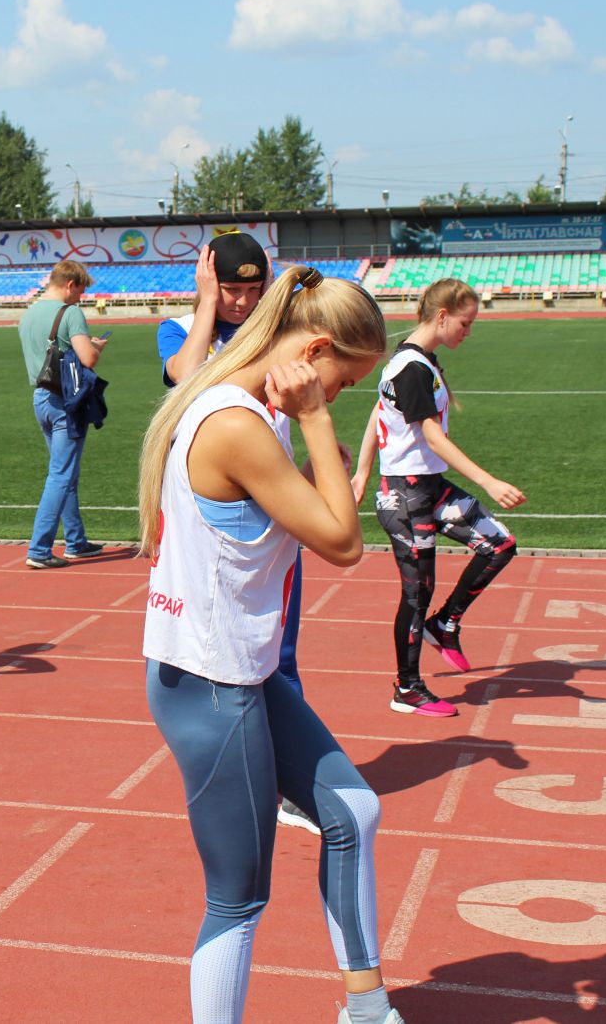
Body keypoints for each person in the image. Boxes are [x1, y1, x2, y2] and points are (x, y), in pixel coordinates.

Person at [140, 266, 404, 1024]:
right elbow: (342, 540)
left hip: (245, 670)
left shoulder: (256, 408)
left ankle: (367, 1008)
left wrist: (312, 417)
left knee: (354, 811)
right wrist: (318, 418)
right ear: (314, 351)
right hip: (207, 678)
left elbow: (323, 505)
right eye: (345, 379)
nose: (342, 394)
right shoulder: (236, 425)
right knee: (238, 894)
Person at [158, 232, 315, 835]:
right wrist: (204, 304)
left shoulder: (274, 337)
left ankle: (288, 783)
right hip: (209, 524)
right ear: (207, 280)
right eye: (231, 288)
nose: (243, 302)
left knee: (281, 650)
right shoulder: (181, 328)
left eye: (255, 289)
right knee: (216, 658)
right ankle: (238, 780)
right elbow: (187, 378)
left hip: (273, 515)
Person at [351, 277, 523, 718]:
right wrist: (489, 481)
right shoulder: (410, 367)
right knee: (417, 591)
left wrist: (362, 471)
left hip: (429, 486)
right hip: (406, 496)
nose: (468, 332)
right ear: (442, 316)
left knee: (499, 544)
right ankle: (406, 688)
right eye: (465, 323)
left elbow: (378, 412)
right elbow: (430, 435)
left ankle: (444, 624)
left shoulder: (419, 360)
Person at [16, 259, 109, 568]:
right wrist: (97, 346)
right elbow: (88, 358)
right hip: (65, 403)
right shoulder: (70, 313)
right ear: (70, 285)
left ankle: (76, 541)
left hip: (40, 399)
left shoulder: (28, 314)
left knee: (65, 472)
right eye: (80, 291)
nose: (81, 298)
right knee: (60, 475)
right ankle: (39, 549)